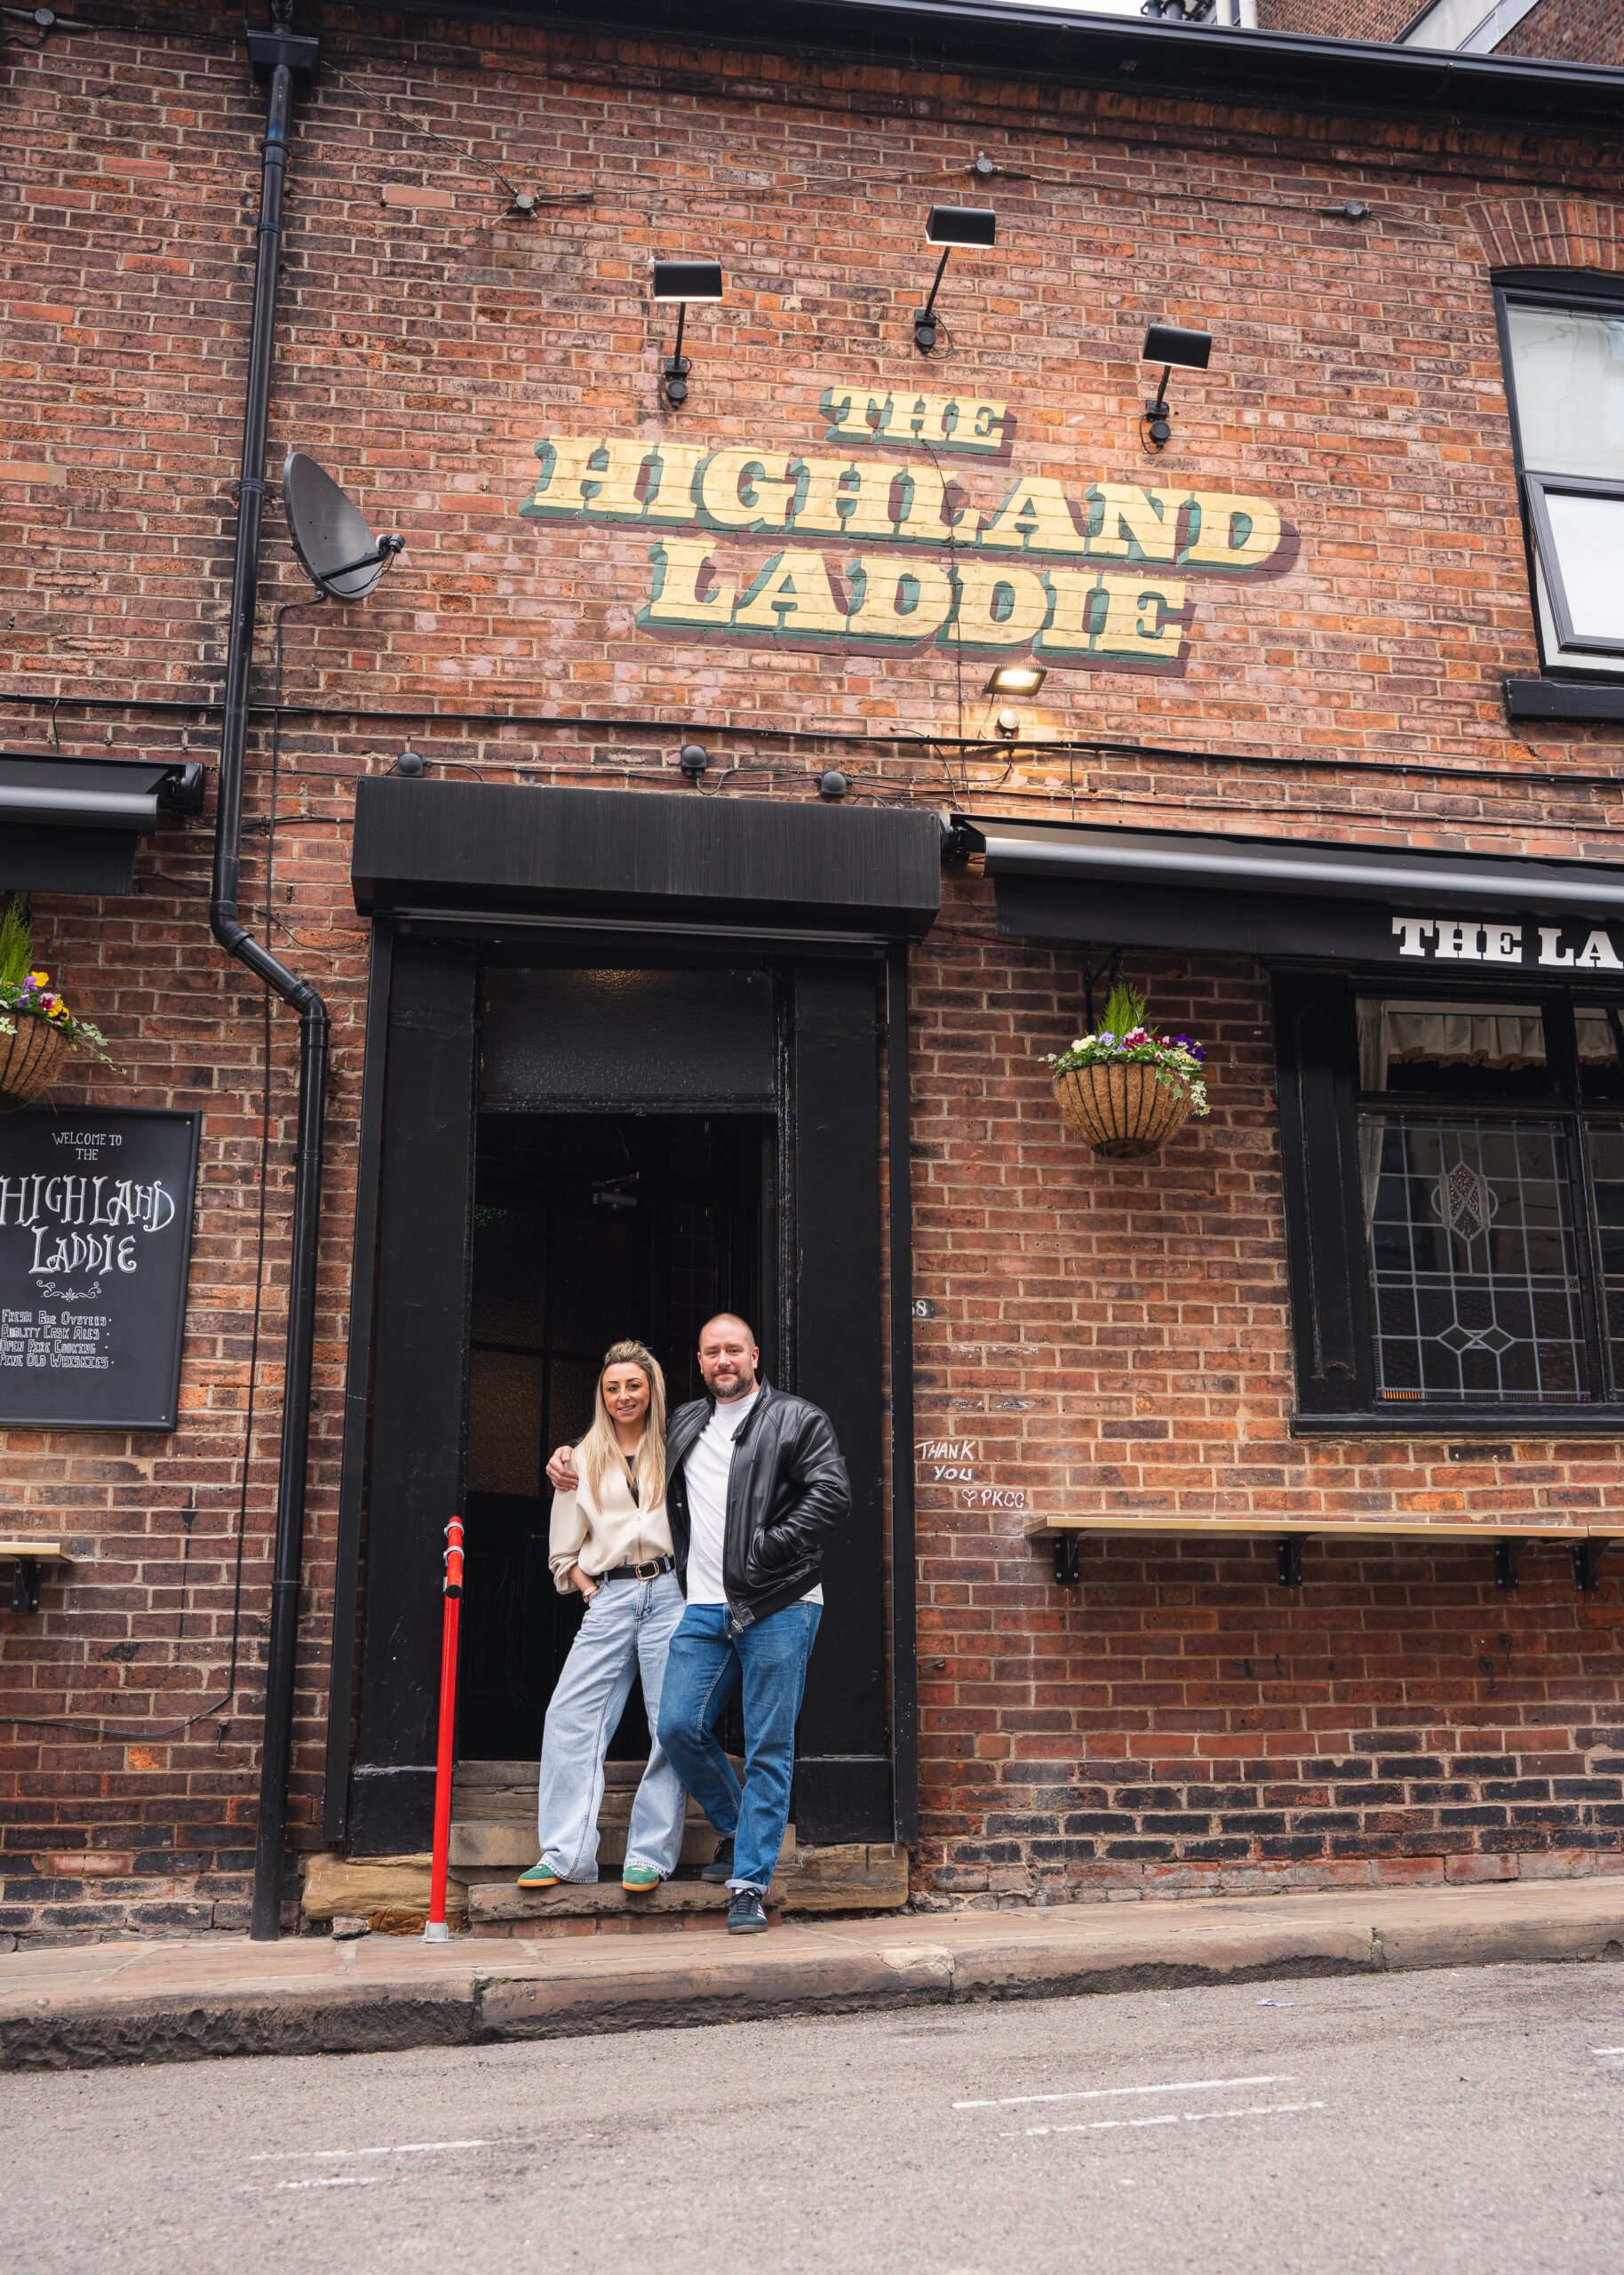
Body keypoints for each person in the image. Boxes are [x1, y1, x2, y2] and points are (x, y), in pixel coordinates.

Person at [548, 1313, 848, 1934]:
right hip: (703, 1605)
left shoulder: (798, 1418)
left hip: (781, 1602)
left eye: (733, 1350)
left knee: (769, 1744)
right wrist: (567, 1458)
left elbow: (831, 1494)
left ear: (755, 1355)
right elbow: (621, 1444)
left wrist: (770, 1547)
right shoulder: (684, 1423)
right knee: (681, 1727)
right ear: (701, 1362)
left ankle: (748, 1883)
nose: (722, 1361)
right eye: (712, 1352)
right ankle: (740, 1829)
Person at [519, 1340, 688, 1896]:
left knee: (672, 1725)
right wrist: (590, 1592)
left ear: (651, 1389)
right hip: (611, 1596)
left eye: (633, 1385)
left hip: (670, 1593)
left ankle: (650, 1854)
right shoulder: (579, 1459)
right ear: (602, 1394)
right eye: (613, 1387)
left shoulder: (680, 1447)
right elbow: (562, 1551)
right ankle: (566, 1854)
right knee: (569, 1718)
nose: (623, 1396)